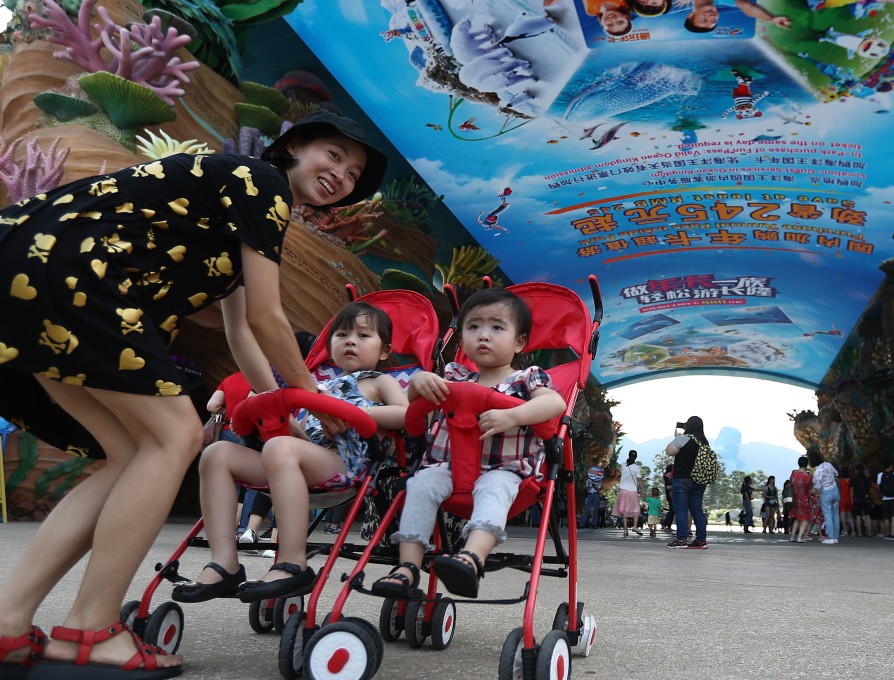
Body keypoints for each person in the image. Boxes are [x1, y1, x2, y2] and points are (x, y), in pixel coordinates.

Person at [0, 109, 387, 678]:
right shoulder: (264, 182)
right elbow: (270, 316)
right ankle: (90, 630)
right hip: (74, 272)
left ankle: (9, 625)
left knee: (128, 455)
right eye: (334, 155)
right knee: (175, 436)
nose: (342, 176)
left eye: (353, 174)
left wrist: (283, 415)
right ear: (295, 146)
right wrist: (310, 396)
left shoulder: (238, 204)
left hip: (31, 270)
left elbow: (241, 330)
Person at [172, 300, 408, 604]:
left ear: (385, 351)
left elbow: (406, 416)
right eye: (342, 335)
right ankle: (224, 564)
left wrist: (357, 411)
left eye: (363, 336)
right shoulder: (317, 384)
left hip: (345, 465)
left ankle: (293, 561)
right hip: (296, 460)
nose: (351, 340)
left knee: (280, 448)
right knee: (217, 454)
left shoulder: (380, 382)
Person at [370, 288, 566, 599]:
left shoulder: (526, 378)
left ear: (519, 342)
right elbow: (418, 407)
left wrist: (514, 415)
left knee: (494, 489)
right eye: (473, 327)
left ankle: (471, 557)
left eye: (497, 327)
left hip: (504, 469)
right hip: (447, 466)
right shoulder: (453, 377)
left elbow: (554, 404)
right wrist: (418, 384)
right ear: (461, 339)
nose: (483, 335)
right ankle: (407, 566)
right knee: (419, 485)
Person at [664, 416, 709, 549]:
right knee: (697, 509)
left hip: (682, 479)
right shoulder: (704, 442)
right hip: (699, 480)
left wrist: (677, 438)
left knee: (681, 509)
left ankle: (682, 539)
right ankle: (701, 539)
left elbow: (670, 451)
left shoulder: (684, 438)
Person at [809, 452, 840, 544]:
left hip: (826, 493)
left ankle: (831, 537)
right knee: (835, 515)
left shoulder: (817, 472)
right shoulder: (828, 465)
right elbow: (836, 473)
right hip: (835, 491)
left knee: (828, 515)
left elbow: (817, 486)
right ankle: (836, 537)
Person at [613, 450, 644, 537]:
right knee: (636, 510)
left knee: (625, 511)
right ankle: (634, 526)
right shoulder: (637, 467)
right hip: (632, 491)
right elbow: (639, 480)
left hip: (623, 491)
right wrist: (643, 491)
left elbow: (620, 472)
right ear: (636, 457)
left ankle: (625, 530)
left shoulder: (623, 465)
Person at [789, 456, 813, 543]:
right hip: (804, 499)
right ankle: (800, 537)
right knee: (805, 519)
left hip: (795, 499)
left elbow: (791, 482)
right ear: (807, 464)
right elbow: (810, 488)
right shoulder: (808, 476)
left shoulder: (793, 473)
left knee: (797, 518)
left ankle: (792, 536)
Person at [877, 463, 894, 540]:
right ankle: (892, 533)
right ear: (891, 467)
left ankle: (887, 533)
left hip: (885, 499)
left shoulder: (880, 475)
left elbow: (879, 487)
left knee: (886, 517)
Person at [580, 462, 605, 528]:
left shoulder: (600, 481)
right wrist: (591, 484)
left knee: (596, 510)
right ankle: (582, 524)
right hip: (590, 495)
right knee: (587, 510)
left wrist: (595, 485)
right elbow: (588, 489)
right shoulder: (588, 480)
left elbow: (599, 490)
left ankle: (594, 524)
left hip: (596, 495)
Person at [850, 463, 872, 537]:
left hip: (857, 499)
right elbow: (870, 489)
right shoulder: (867, 478)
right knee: (867, 515)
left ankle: (859, 532)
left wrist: (852, 500)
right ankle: (869, 532)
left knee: (858, 516)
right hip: (866, 499)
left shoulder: (853, 479)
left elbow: (851, 490)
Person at [838, 466, 854, 537]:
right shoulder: (850, 481)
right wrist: (852, 500)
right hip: (849, 499)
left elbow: (839, 491)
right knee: (850, 516)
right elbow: (851, 491)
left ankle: (845, 531)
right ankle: (853, 531)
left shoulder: (840, 481)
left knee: (843, 516)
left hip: (842, 499)